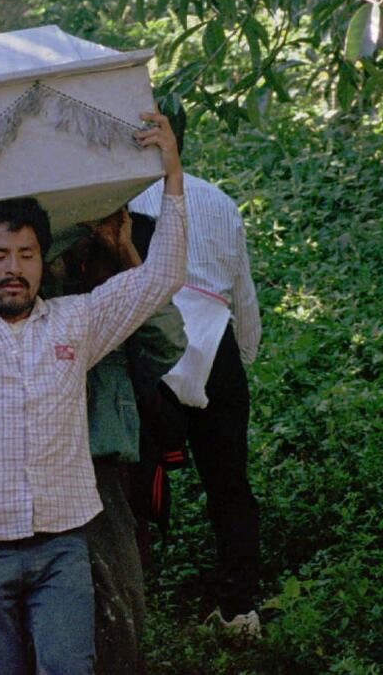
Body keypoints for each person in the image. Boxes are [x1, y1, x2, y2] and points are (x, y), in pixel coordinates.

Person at [0, 112, 187, 675]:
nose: (13, 270)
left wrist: (170, 172)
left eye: (26, 255)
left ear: (42, 262)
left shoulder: (78, 321)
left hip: (61, 544)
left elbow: (162, 276)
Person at [128, 109, 264, 636]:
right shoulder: (219, 201)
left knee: (131, 480)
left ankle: (132, 609)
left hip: (153, 346)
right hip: (215, 344)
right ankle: (240, 609)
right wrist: (241, 358)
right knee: (229, 484)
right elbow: (241, 293)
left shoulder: (118, 202)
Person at [56, 209, 150, 675]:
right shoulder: (50, 310)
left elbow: (169, 340)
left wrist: (127, 254)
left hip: (103, 480)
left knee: (122, 600)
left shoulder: (119, 315)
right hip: (48, 474)